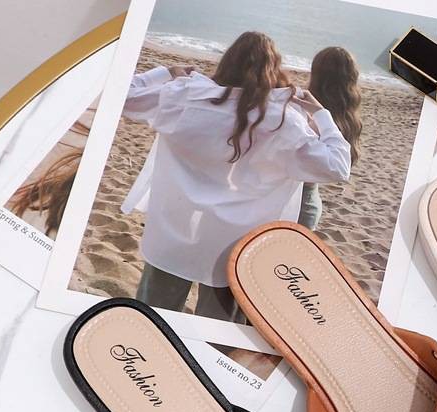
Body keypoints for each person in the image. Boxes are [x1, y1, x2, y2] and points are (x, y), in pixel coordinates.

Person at [121, 31, 351, 321]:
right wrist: (320, 114)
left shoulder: (186, 96)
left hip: (177, 230)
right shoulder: (284, 121)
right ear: (273, 69)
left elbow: (122, 94)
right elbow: (338, 166)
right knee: (215, 330)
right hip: (233, 243)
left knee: (153, 318)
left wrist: (166, 72)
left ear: (227, 61)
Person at [298, 46, 363, 230]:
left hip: (297, 203)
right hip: (309, 202)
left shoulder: (309, 111)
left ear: (316, 74)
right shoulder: (346, 117)